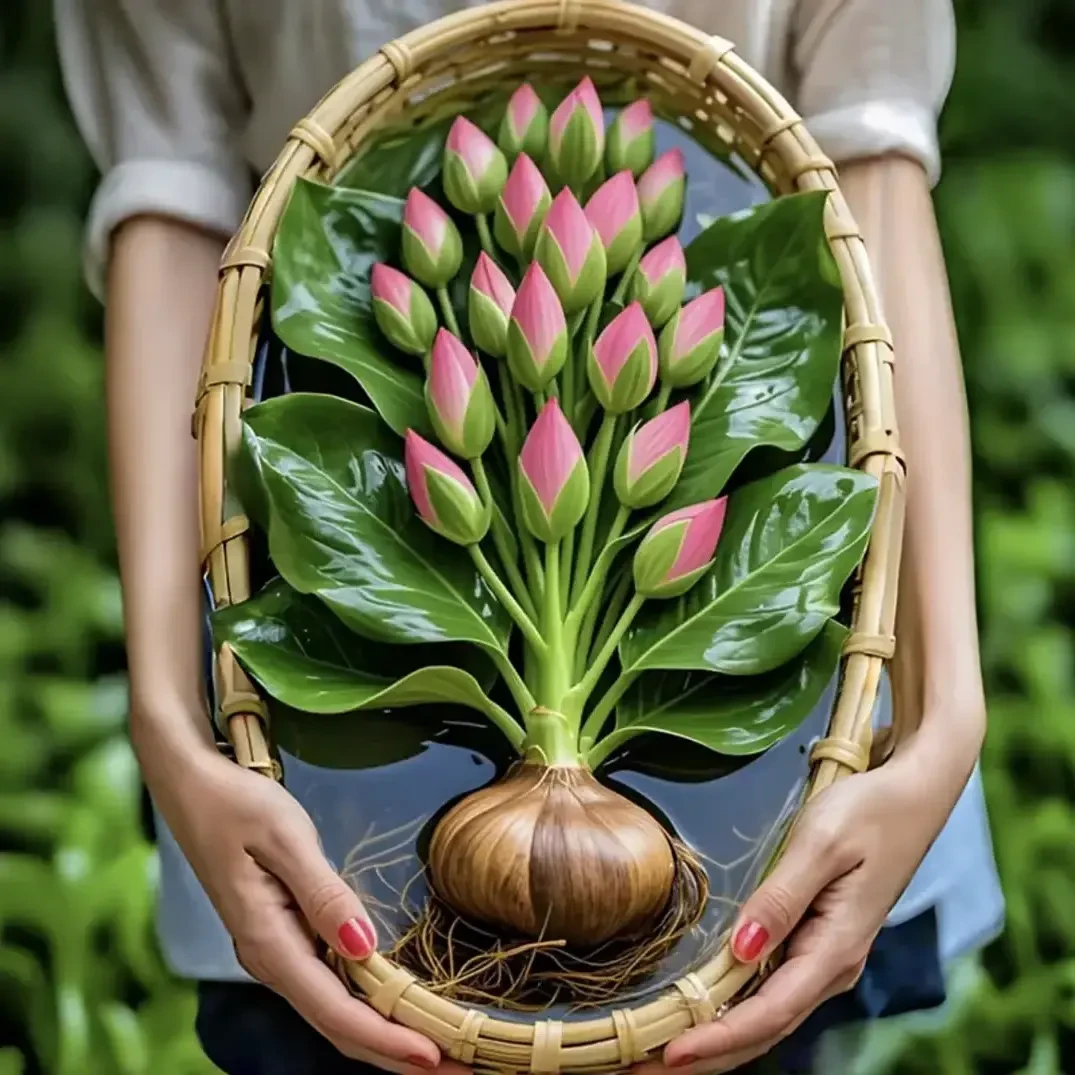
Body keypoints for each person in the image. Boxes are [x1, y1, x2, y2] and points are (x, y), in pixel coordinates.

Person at [54, 1, 1003, 1072]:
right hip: (314, 707)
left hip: (778, 744)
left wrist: (938, 716)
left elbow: (867, 155)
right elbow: (170, 182)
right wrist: (172, 719)